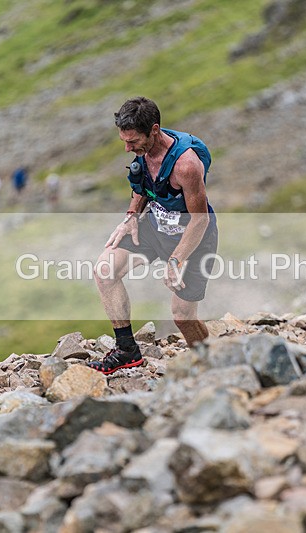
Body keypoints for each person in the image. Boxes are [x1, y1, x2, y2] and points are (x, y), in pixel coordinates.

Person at [88, 96, 218, 374]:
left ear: (154, 130)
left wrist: (176, 260)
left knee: (182, 317)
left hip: (192, 236)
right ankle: (127, 351)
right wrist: (130, 218)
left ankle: (211, 365)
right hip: (155, 225)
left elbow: (200, 219)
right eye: (124, 141)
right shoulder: (142, 155)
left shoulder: (187, 165)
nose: (127, 148)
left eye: (133, 141)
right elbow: (142, 186)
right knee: (104, 270)